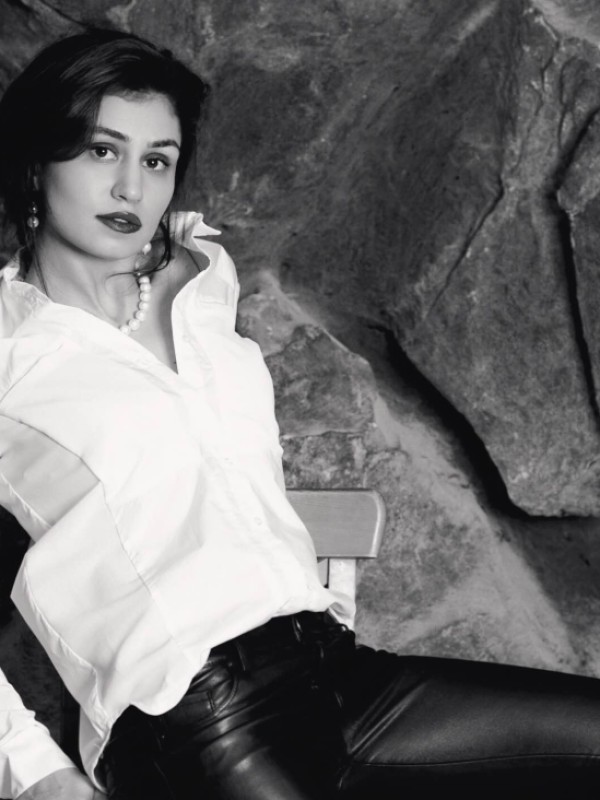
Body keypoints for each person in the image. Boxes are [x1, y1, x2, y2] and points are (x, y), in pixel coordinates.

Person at [1, 28, 600, 800]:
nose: (130, 189)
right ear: (37, 159)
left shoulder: (202, 277)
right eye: (100, 150)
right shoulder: (11, 348)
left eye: (156, 160)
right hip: (197, 720)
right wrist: (37, 773)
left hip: (340, 673)